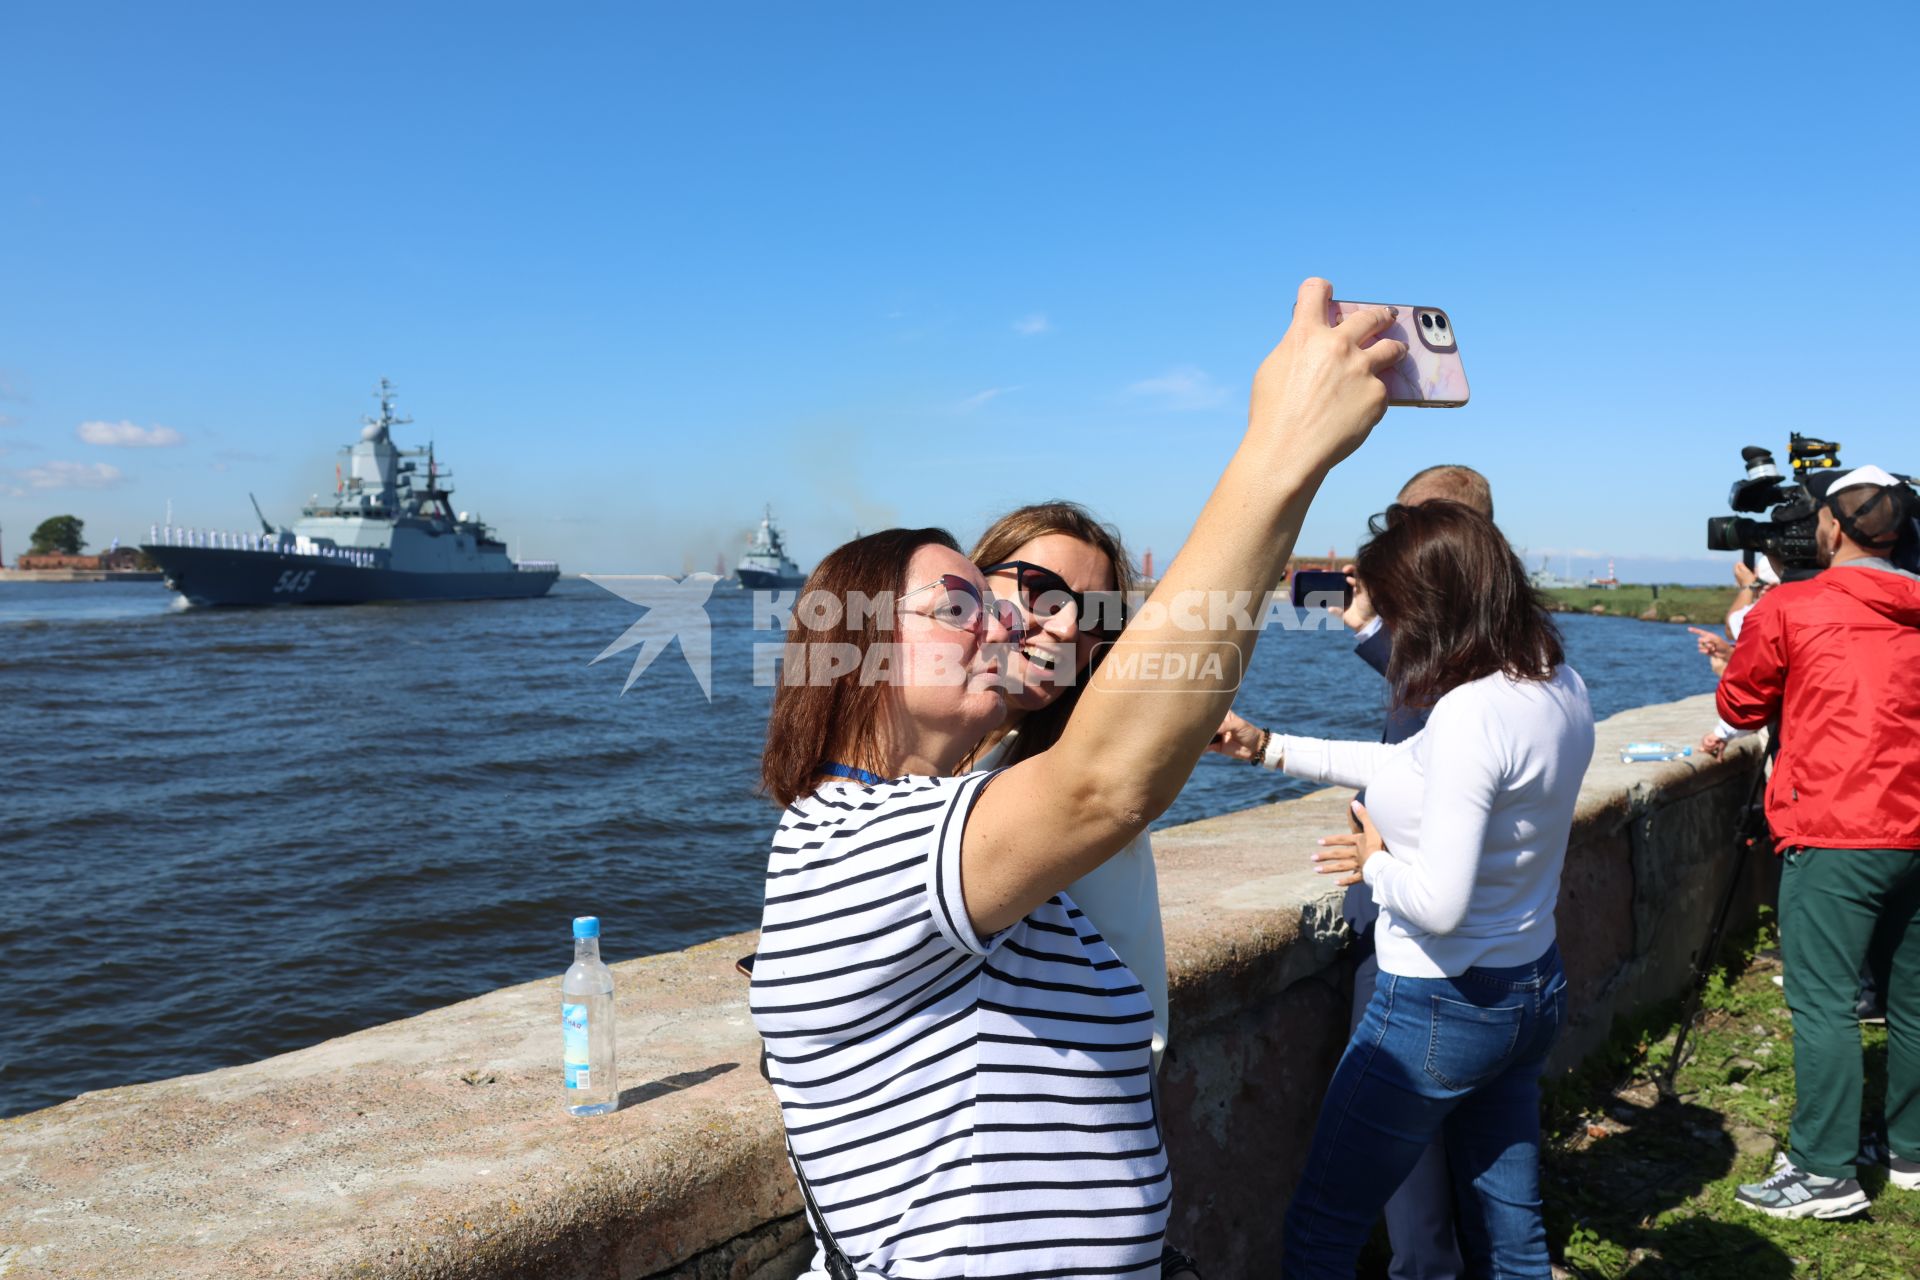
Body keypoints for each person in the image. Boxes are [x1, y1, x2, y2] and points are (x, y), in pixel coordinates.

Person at [749, 279, 1404, 1279]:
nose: (1018, 624)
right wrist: (1284, 447)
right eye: (969, 601)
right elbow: (1105, 783)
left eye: (1084, 618)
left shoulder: (974, 820)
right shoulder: (845, 839)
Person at [1236, 500, 1594, 1277]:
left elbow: (1437, 901)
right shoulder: (1556, 681)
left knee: (1321, 1229)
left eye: (1395, 606)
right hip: (1530, 987)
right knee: (1512, 1233)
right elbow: (1409, 768)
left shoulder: (1470, 711)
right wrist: (1267, 747)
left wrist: (1372, 862)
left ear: (1430, 604)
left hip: (1438, 1004)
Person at [1213, 464, 1494, 1280]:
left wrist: (1374, 863)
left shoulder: (1457, 649)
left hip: (1415, 921)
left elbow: (1420, 692)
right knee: (1479, 1138)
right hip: (1492, 939)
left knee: (1385, 1134)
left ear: (1432, 527)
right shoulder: (1504, 637)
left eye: (1399, 527)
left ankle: (1423, 1267)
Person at [1719, 464, 1920, 1220]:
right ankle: (1910, 1152)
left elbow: (1739, 705)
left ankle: (1824, 1172)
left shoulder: (1795, 606)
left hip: (1837, 827)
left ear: (1830, 529)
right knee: (1913, 997)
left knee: (1826, 1001)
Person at [964, 502, 1170, 1070]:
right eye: (1040, 590)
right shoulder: (944, 761)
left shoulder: (1078, 777)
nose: (1065, 626)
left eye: (1096, 613)